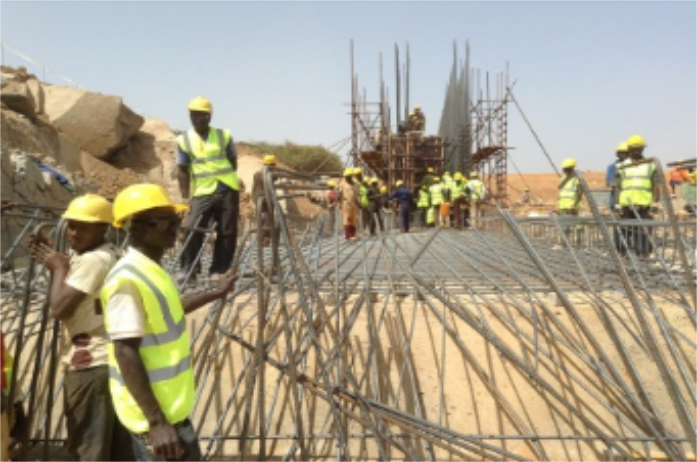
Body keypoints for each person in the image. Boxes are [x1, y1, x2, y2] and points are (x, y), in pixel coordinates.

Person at [101, 184, 237, 461]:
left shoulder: (151, 270)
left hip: (171, 410)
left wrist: (215, 292)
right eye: (163, 222)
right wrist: (157, 423)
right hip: (156, 420)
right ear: (135, 228)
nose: (175, 228)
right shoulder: (127, 279)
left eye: (175, 220)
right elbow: (125, 351)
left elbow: (172, 309)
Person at [28, 194, 134, 462]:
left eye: (83, 227)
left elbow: (59, 309)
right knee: (114, 448)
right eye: (72, 226)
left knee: (88, 447)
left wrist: (58, 269)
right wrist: (56, 260)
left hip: (89, 364)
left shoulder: (94, 260)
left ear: (104, 228)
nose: (74, 233)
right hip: (108, 360)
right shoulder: (108, 253)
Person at [176, 97, 240, 285]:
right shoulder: (183, 140)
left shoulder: (224, 135)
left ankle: (219, 270)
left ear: (209, 116)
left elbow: (233, 162)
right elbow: (182, 170)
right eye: (193, 115)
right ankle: (189, 270)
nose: (196, 119)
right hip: (202, 191)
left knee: (227, 231)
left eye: (201, 115)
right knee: (192, 228)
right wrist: (185, 197)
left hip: (227, 188)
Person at [614, 135, 658, 257]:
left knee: (643, 232)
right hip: (625, 205)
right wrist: (617, 204)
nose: (636, 151)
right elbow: (617, 186)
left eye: (639, 148)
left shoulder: (650, 164)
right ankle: (622, 256)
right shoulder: (621, 166)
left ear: (643, 149)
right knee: (623, 231)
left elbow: (656, 185)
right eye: (634, 149)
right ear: (629, 149)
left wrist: (655, 203)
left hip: (644, 205)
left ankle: (643, 256)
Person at [251, 155, 278, 246]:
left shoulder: (257, 173)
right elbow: (275, 178)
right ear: (272, 165)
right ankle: (265, 238)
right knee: (269, 217)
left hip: (256, 198)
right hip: (265, 199)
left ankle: (261, 238)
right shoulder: (269, 174)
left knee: (260, 218)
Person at [558, 158, 582, 246]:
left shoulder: (576, 179)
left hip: (572, 206)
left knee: (576, 224)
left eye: (567, 169)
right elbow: (561, 192)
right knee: (564, 225)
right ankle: (564, 243)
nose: (565, 170)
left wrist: (575, 206)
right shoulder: (563, 179)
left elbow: (579, 193)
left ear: (572, 168)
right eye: (564, 169)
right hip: (563, 205)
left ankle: (578, 242)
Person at [607, 142, 629, 211]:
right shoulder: (612, 167)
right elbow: (610, 183)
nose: (624, 155)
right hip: (616, 202)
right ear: (617, 154)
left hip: (630, 201)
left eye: (626, 153)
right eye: (622, 153)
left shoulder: (632, 167)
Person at [338, 168, 359, 240]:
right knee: (347, 219)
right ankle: (348, 235)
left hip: (354, 203)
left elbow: (356, 194)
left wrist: (358, 203)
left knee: (354, 219)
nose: (347, 178)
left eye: (349, 176)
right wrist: (340, 203)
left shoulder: (355, 184)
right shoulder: (342, 184)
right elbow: (340, 194)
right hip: (346, 203)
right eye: (346, 176)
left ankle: (353, 235)